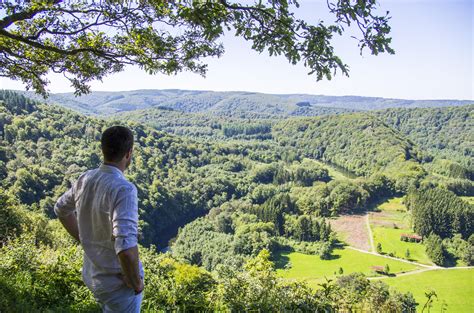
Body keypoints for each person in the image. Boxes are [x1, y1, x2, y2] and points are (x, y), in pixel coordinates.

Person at [54, 126, 144, 312]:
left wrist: (85, 239)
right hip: (118, 284)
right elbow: (126, 248)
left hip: (93, 275)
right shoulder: (124, 189)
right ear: (129, 153)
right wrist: (136, 283)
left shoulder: (85, 178)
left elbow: (61, 209)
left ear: (102, 149)